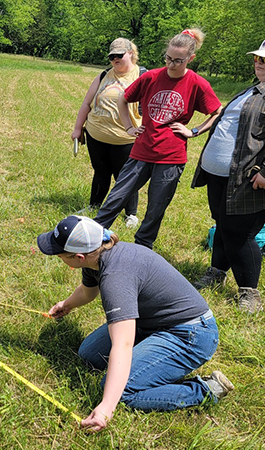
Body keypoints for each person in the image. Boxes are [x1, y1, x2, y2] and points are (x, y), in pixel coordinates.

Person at [38, 215, 233, 433]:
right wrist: (67, 304)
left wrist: (106, 407)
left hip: (191, 334)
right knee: (89, 354)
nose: (58, 257)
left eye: (60, 254)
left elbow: (122, 344)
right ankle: (150, 357)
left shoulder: (115, 277)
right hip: (150, 323)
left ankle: (205, 390)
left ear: (79, 257)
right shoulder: (99, 253)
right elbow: (87, 291)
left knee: (121, 392)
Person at [190, 33, 265, 313]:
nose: (258, 63)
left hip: (256, 178)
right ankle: (216, 273)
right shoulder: (257, 88)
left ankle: (249, 292)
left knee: (240, 233)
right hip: (223, 175)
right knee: (223, 225)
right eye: (257, 57)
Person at [94, 29, 223, 249]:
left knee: (155, 208)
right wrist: (128, 127)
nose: (171, 64)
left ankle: (142, 248)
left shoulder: (197, 83)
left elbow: (217, 111)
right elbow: (124, 100)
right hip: (141, 151)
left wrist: (193, 131)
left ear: (190, 59)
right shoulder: (150, 77)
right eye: (168, 58)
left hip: (171, 157)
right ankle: (92, 238)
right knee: (117, 198)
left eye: (178, 61)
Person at [72, 38, 142, 228]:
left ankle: (131, 214)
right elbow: (86, 103)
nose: (115, 59)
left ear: (131, 53)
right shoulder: (104, 75)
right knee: (100, 172)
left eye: (119, 55)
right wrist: (78, 128)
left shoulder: (142, 75)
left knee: (125, 177)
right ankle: (94, 205)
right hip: (96, 136)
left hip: (126, 140)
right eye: (112, 57)